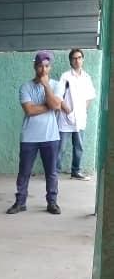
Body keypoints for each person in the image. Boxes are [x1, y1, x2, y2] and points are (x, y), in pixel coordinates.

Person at [7, 50, 71, 215]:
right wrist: (50, 105)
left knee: (51, 172)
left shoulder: (56, 85)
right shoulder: (25, 87)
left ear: (50, 67)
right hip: (29, 137)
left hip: (51, 137)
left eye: (47, 66)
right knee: (24, 172)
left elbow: (57, 106)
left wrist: (46, 86)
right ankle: (20, 202)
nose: (43, 69)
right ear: (35, 66)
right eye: (41, 66)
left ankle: (52, 202)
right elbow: (29, 110)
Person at [57, 48, 96, 180]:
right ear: (70, 61)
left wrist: (83, 111)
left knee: (79, 147)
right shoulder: (65, 76)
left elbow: (89, 96)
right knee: (60, 147)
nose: (77, 60)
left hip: (80, 119)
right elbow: (58, 97)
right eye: (74, 58)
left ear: (83, 59)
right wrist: (69, 112)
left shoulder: (86, 77)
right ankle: (55, 172)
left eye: (79, 57)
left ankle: (76, 171)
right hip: (66, 118)